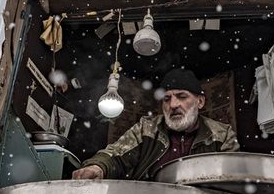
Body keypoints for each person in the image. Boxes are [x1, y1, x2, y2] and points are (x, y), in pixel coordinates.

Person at [72, 68, 239, 180]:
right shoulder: (147, 128)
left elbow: (232, 179)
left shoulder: (222, 135)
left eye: (181, 96)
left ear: (200, 102)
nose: (173, 105)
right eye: (167, 99)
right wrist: (98, 167)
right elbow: (116, 154)